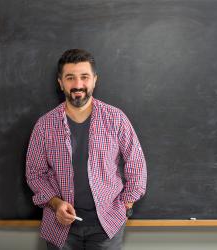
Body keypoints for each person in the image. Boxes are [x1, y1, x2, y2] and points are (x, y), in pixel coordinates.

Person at [26, 49, 147, 250]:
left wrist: (127, 204)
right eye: (70, 77)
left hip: (107, 227)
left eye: (84, 77)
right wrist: (56, 204)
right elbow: (35, 174)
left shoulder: (116, 119)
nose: (77, 85)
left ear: (94, 80)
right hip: (60, 228)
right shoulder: (44, 125)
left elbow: (136, 163)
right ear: (60, 82)